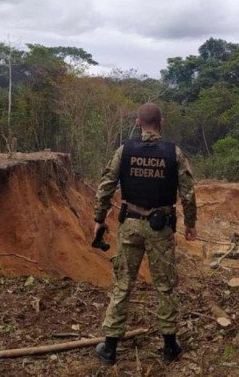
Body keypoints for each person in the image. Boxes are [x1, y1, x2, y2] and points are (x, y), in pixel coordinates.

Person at [93, 102, 197, 364]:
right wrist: (190, 224)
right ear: (161, 121)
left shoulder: (124, 150)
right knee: (165, 285)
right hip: (160, 228)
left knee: (123, 284)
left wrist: (99, 218)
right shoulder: (173, 153)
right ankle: (169, 346)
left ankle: (110, 348)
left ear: (138, 123)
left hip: (129, 225)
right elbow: (188, 192)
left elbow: (106, 185)